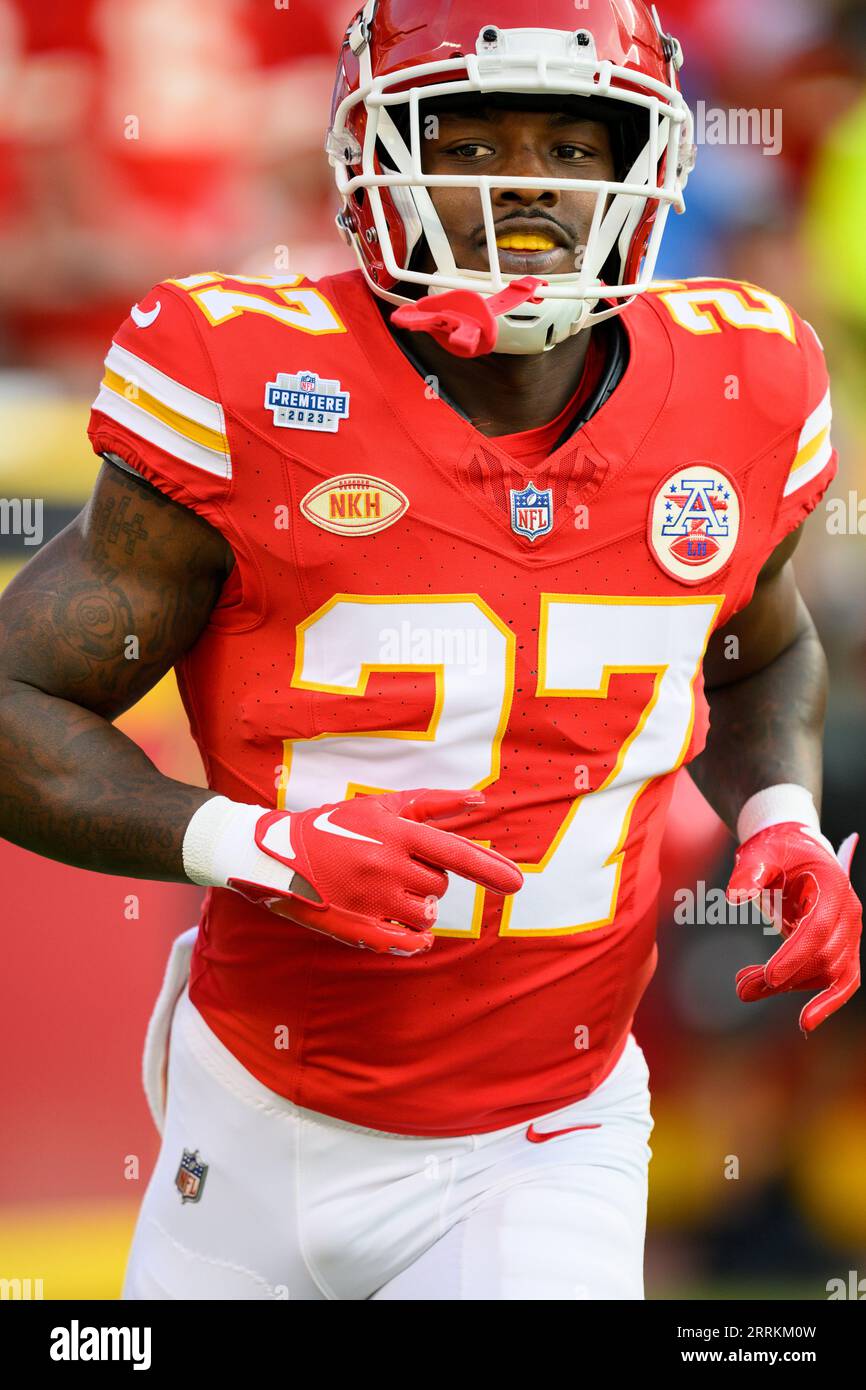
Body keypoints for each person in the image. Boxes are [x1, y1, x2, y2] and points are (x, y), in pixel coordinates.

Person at [0, 0, 860, 1300]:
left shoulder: (740, 386)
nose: (523, 185)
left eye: (571, 146)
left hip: (546, 1129)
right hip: (250, 1102)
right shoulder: (247, 376)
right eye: (469, 138)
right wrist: (252, 842)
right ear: (368, 148)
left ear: (647, 159)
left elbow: (758, 648)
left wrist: (782, 816)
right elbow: (15, 696)